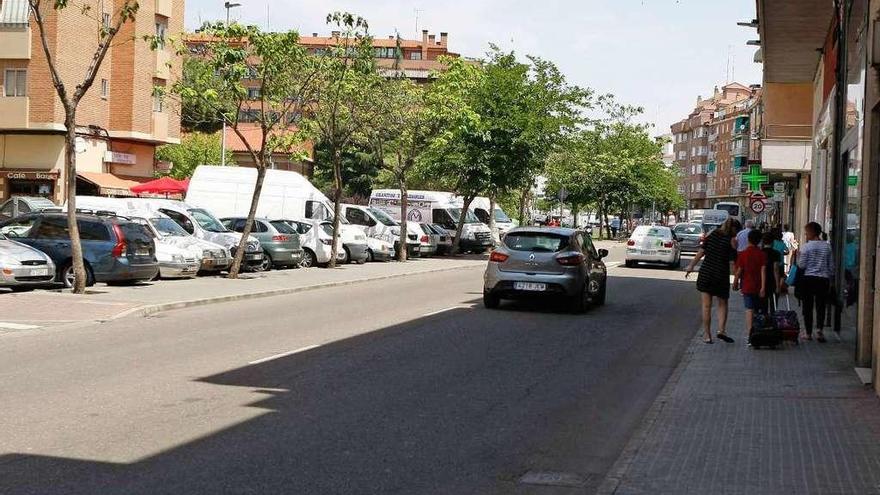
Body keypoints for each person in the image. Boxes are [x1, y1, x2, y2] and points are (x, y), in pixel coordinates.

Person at [685, 217, 740, 344]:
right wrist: (737, 277)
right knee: (723, 303)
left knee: (706, 306)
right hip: (720, 275)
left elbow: (701, 252)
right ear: (733, 229)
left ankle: (707, 335)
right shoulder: (732, 240)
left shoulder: (712, 234)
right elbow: (733, 262)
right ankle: (721, 330)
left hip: (706, 273)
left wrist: (691, 266)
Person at [795, 221, 834, 342]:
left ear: (811, 233)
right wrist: (831, 279)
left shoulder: (806, 247)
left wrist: (797, 258)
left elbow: (801, 265)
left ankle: (808, 332)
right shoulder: (827, 246)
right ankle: (820, 331)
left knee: (808, 306)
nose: (806, 235)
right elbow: (831, 266)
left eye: (806, 233)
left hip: (808, 279)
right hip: (823, 279)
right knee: (821, 305)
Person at [733, 230, 767, 340]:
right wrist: (763, 287)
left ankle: (749, 332)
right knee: (757, 309)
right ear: (759, 241)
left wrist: (735, 282)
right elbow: (763, 271)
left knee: (749, 309)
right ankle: (758, 330)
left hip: (747, 286)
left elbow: (739, 270)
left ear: (748, 240)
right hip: (758, 286)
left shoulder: (743, 254)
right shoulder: (762, 254)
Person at [761, 231, 784, 310]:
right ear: (772, 242)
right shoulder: (776, 253)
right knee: (773, 304)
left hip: (761, 281)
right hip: (772, 281)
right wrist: (778, 285)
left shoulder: (760, 252)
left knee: (763, 305)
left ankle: (764, 320)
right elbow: (776, 269)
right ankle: (772, 320)